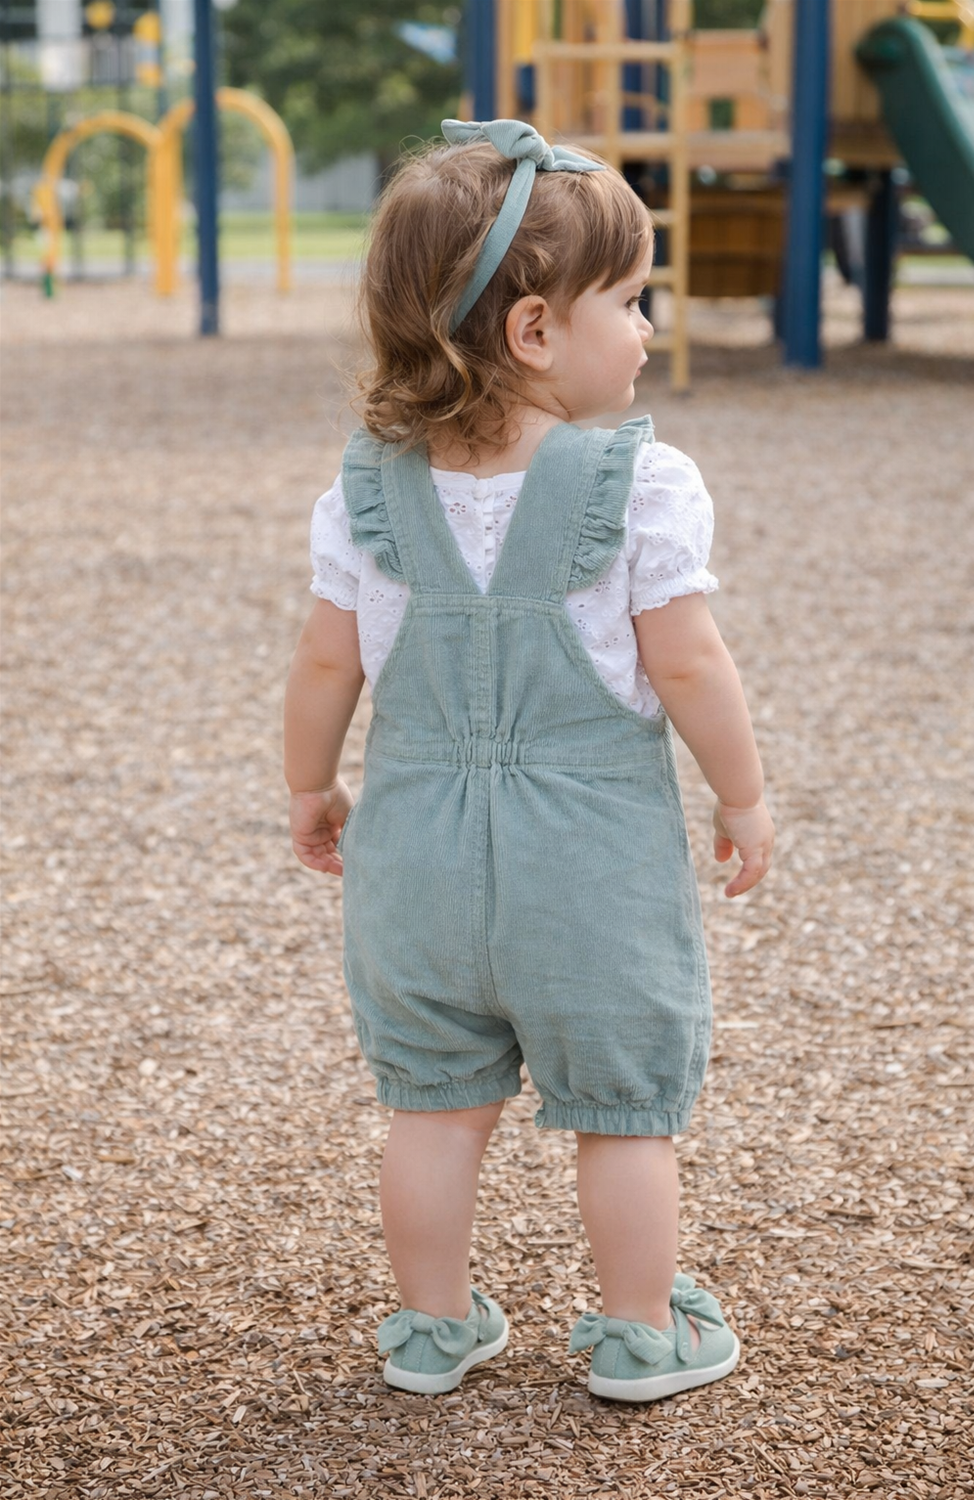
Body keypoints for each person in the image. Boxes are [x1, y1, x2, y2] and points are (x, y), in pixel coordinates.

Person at [283, 119, 774, 1403]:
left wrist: (308, 787)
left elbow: (326, 667)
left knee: (436, 1107)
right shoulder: (640, 483)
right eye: (630, 298)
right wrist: (743, 791)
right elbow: (688, 665)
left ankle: (432, 1330)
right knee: (622, 1109)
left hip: (415, 862)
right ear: (536, 332)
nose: (649, 326)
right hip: (590, 866)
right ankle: (636, 1335)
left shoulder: (367, 493)